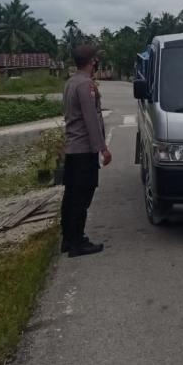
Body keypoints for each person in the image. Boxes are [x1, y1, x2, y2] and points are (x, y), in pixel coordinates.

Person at [61, 44, 112, 258]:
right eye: (95, 59)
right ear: (92, 61)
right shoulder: (86, 85)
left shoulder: (70, 82)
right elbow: (91, 120)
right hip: (83, 151)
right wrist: (103, 148)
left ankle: (68, 238)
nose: (96, 62)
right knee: (82, 197)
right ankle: (77, 243)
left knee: (71, 195)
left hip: (72, 149)